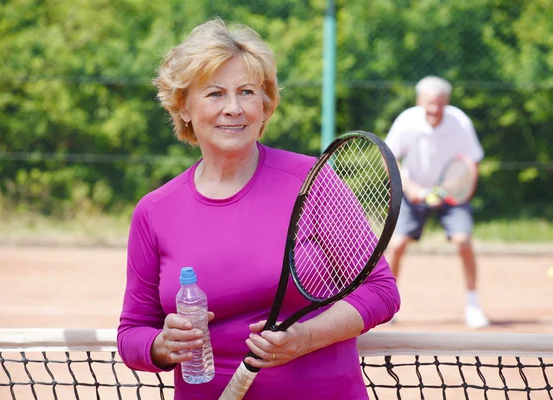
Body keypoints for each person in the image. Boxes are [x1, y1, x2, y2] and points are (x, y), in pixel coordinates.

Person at [117, 18, 400, 400]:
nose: (233, 108)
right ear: (183, 107)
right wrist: (161, 346)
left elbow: (381, 291)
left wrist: (305, 338)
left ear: (265, 106)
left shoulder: (313, 181)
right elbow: (133, 331)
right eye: (215, 94)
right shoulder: (154, 211)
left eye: (247, 92)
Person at [384, 76, 489, 329]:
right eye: (430, 103)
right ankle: (386, 305)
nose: (435, 109)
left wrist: (450, 189)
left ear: (447, 102)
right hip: (413, 191)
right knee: (396, 245)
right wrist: (410, 188)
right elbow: (388, 158)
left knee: (463, 242)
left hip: (451, 195)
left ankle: (473, 305)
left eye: (440, 103)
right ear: (420, 101)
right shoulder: (407, 121)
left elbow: (471, 162)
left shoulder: (460, 123)